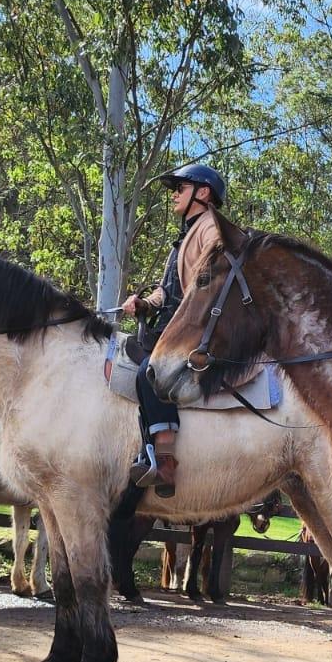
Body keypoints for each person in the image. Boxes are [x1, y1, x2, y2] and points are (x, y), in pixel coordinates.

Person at [123, 162, 227, 495]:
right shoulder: (184, 236)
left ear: (203, 192)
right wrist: (144, 303)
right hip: (169, 325)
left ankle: (164, 459)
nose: (174, 196)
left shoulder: (211, 227)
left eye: (180, 189)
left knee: (148, 372)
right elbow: (166, 289)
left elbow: (213, 271)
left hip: (193, 329)